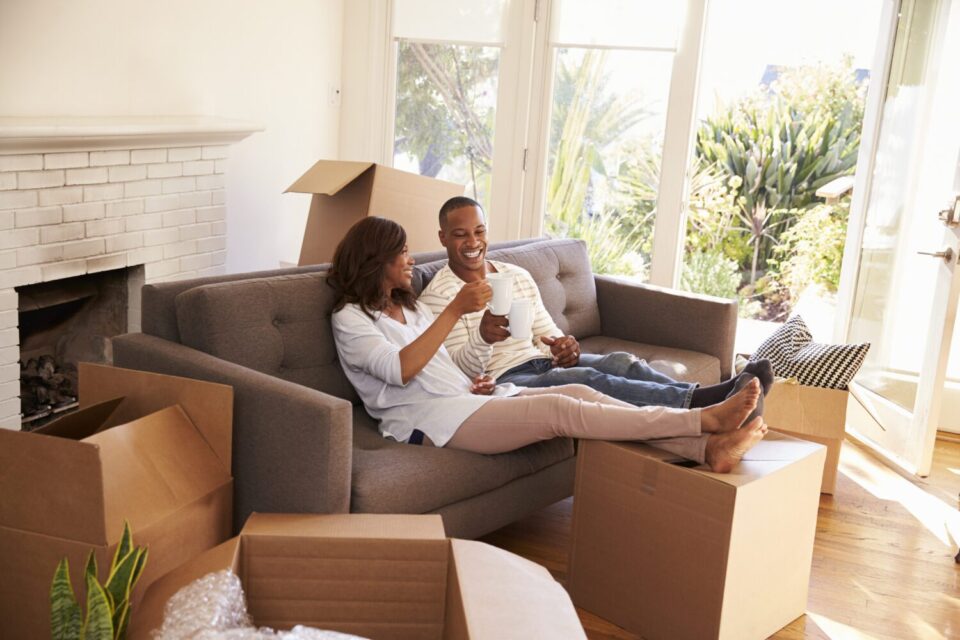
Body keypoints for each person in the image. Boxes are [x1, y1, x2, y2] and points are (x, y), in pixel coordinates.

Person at [328, 216, 768, 473]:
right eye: (402, 252)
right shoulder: (350, 319)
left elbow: (445, 363)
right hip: (428, 422)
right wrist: (455, 311)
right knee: (561, 410)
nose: (410, 260)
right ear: (375, 261)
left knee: (579, 391)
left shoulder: (410, 308)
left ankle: (707, 449)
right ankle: (700, 420)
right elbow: (400, 370)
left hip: (466, 400)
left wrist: (479, 363)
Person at [418, 196, 773, 411]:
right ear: (443, 238)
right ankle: (705, 403)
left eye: (478, 231)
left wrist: (564, 347)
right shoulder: (439, 296)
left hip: (539, 362)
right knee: (587, 378)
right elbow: (459, 369)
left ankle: (705, 396)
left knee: (619, 362)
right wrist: (483, 337)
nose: (472, 242)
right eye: (460, 234)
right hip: (505, 380)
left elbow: (547, 333)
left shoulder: (515, 275)